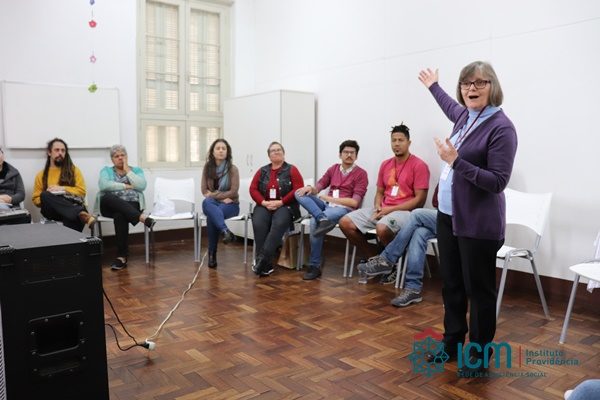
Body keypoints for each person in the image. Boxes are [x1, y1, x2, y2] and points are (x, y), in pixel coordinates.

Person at [418, 61, 517, 376]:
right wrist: (433, 86)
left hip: (478, 224)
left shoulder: (501, 128)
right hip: (448, 216)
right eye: (466, 84)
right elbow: (449, 105)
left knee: (480, 293)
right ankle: (451, 344)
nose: (471, 89)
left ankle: (477, 357)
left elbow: (497, 181)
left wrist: (456, 161)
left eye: (479, 83)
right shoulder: (465, 115)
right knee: (452, 285)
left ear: (493, 86)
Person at [338, 123, 430, 263]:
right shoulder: (385, 164)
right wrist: (378, 206)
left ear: (409, 142)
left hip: (405, 213)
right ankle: (375, 258)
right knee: (345, 222)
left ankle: (393, 263)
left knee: (382, 228)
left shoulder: (419, 165)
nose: (396, 144)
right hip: (383, 210)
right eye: (394, 140)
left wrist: (390, 210)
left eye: (401, 140)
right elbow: (379, 192)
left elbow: (419, 201)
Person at [295, 140, 368, 280]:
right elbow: (319, 186)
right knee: (298, 193)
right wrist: (310, 188)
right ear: (340, 154)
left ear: (356, 156)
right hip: (326, 207)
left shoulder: (361, 174)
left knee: (314, 222)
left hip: (344, 209)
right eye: (346, 152)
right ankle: (321, 217)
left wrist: (330, 199)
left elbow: (354, 202)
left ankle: (314, 265)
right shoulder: (333, 169)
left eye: (352, 153)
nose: (349, 155)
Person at [357, 208, 436, 307]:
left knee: (417, 214)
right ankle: (413, 288)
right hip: (443, 220)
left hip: (453, 220)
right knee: (419, 233)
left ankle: (387, 260)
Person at [96, 145, 155, 271]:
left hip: (132, 204)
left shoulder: (136, 170)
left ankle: (121, 257)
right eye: (116, 156)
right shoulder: (106, 170)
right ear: (112, 159)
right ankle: (141, 217)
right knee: (107, 197)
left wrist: (127, 170)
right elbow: (104, 185)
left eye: (122, 155)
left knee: (120, 215)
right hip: (109, 205)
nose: (120, 158)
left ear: (126, 157)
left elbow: (141, 185)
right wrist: (126, 186)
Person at [250, 141, 304, 276]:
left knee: (279, 223)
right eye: (273, 150)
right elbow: (253, 189)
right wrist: (263, 202)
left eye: (279, 149)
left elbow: (298, 189)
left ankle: (262, 260)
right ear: (269, 156)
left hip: (286, 205)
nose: (276, 152)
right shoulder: (262, 171)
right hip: (265, 205)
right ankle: (265, 264)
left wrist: (281, 202)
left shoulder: (292, 169)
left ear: (284, 153)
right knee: (258, 223)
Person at [32, 138, 95, 232]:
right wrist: (51, 197)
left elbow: (82, 192)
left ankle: (78, 215)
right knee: (44, 194)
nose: (60, 153)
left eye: (63, 150)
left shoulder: (74, 170)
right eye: (57, 150)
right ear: (49, 152)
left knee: (71, 217)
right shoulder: (41, 175)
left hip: (72, 206)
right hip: (52, 212)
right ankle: (81, 214)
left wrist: (62, 189)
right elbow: (35, 199)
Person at [201, 138, 240, 269]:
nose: (221, 151)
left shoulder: (233, 169)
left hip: (231, 205)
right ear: (212, 152)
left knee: (212, 215)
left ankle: (212, 254)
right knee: (207, 203)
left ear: (227, 152)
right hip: (213, 203)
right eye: (218, 148)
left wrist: (215, 196)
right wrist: (221, 197)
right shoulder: (207, 168)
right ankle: (225, 231)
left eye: (224, 148)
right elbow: (204, 190)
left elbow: (233, 192)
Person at [0, 146, 31, 225]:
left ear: (2, 154)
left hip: (12, 208)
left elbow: (21, 194)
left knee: (25, 217)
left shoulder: (14, 172)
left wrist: (10, 199)